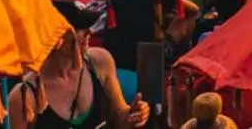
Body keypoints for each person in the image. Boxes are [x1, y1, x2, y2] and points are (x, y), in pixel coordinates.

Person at [9, 22, 149, 129]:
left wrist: (134, 114)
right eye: (78, 26)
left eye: (88, 24)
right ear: (54, 33)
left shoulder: (99, 62)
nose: (90, 31)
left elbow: (119, 117)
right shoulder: (24, 97)